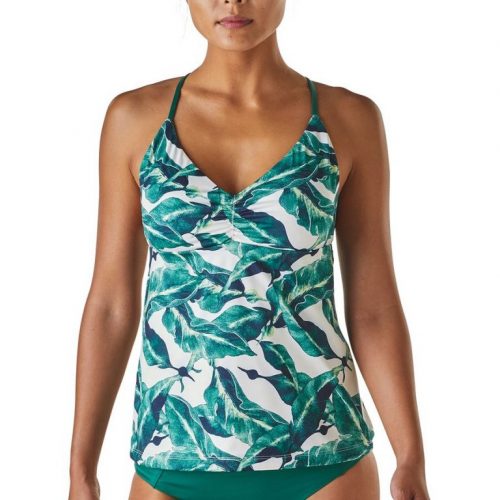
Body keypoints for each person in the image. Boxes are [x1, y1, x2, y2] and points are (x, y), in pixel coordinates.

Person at [68, 1, 431, 499]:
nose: (233, 1)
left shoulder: (349, 119)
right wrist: (81, 470)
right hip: (172, 456)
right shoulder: (134, 119)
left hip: (324, 459)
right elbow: (111, 304)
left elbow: (374, 307)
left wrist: (410, 456)